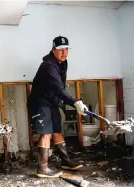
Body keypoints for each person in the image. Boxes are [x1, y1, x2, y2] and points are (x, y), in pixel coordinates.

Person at [28, 36, 89, 178]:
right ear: (53, 50)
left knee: (57, 131)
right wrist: (75, 102)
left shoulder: (63, 63)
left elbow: (59, 86)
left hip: (51, 102)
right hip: (40, 103)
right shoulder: (48, 65)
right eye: (60, 49)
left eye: (66, 49)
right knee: (46, 133)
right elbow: (58, 87)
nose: (64, 52)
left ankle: (65, 161)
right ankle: (42, 168)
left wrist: (66, 102)